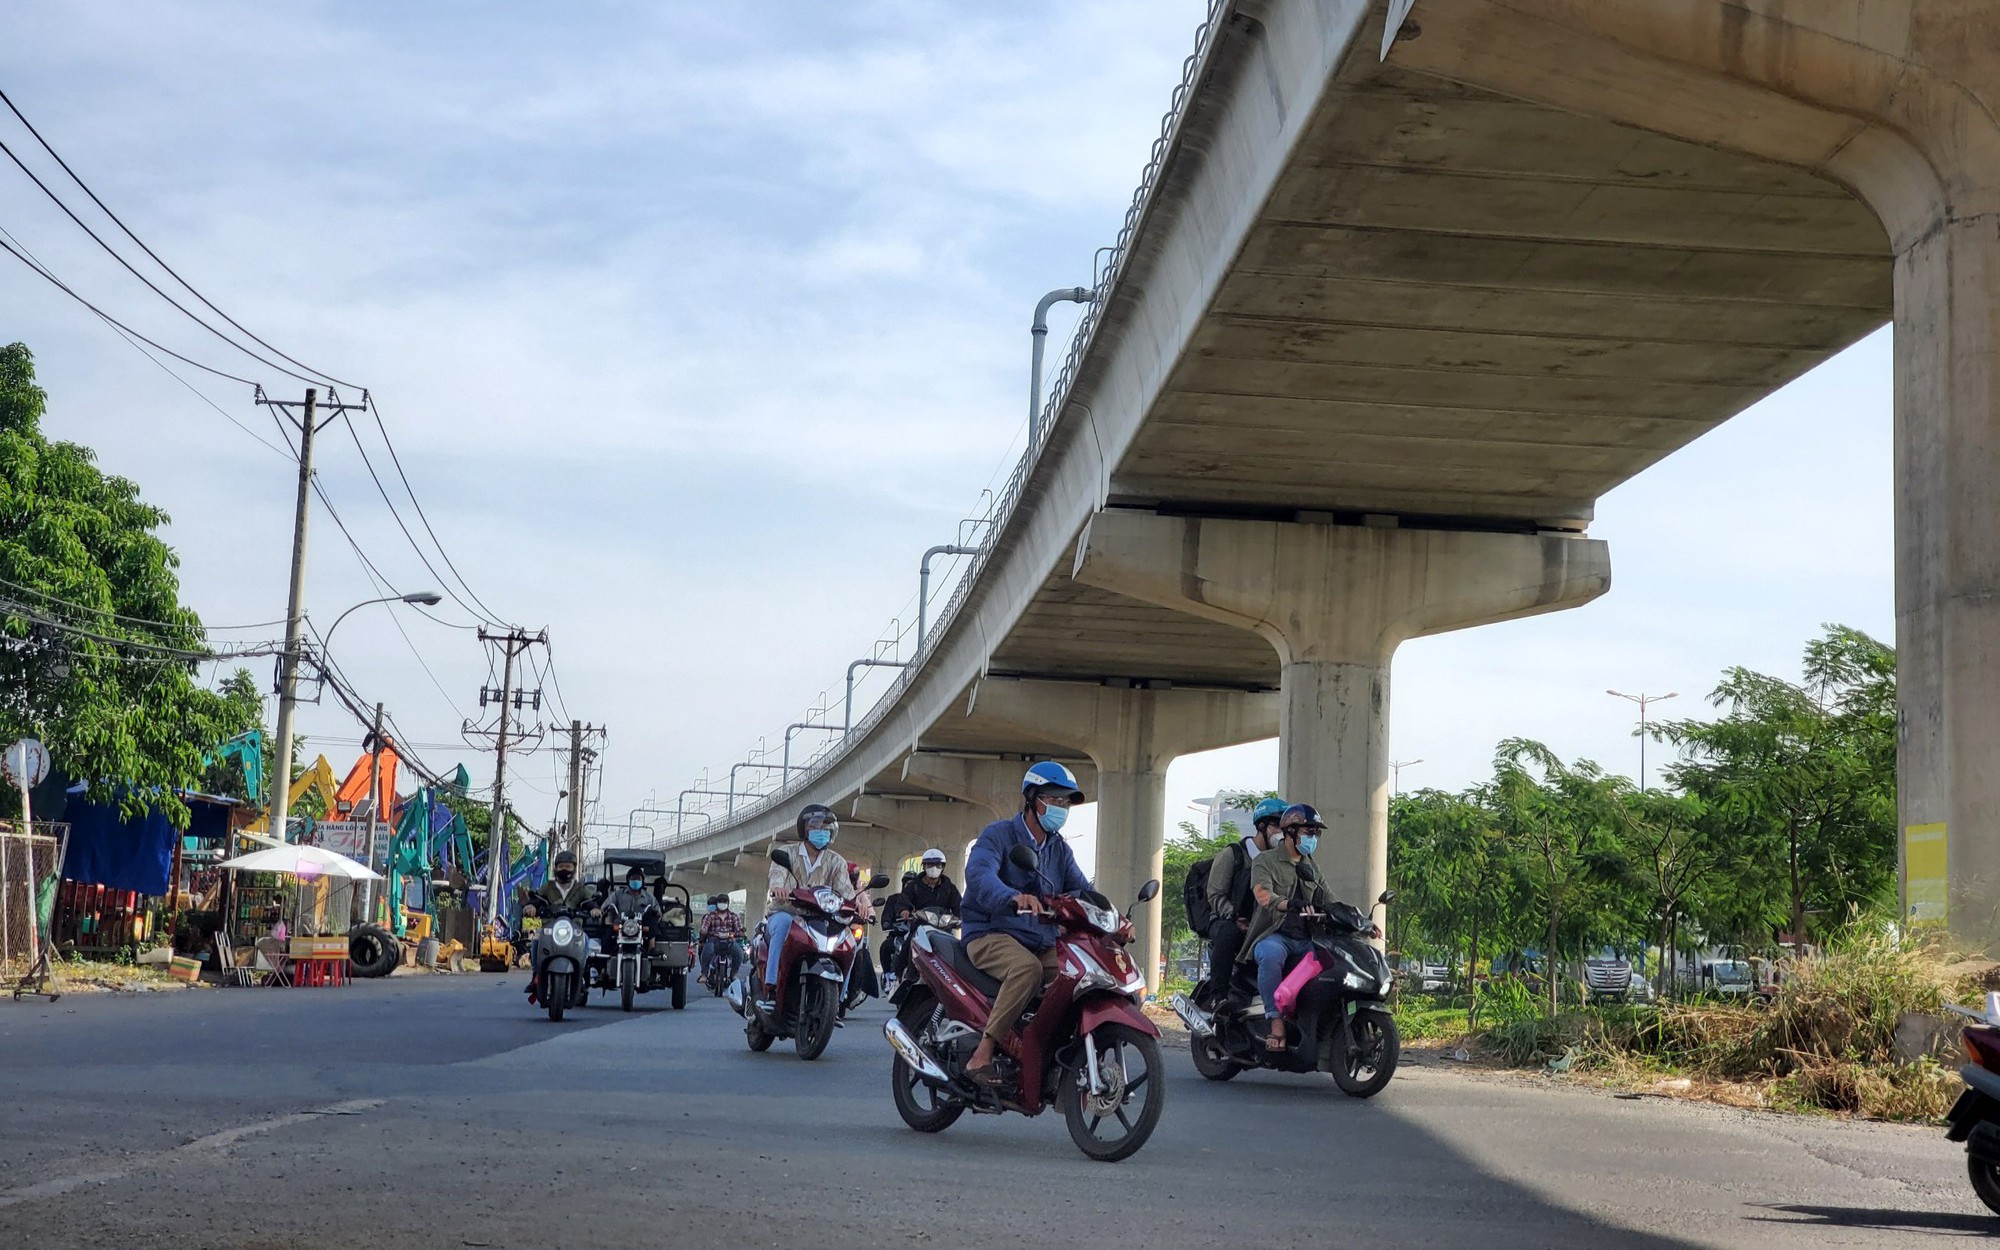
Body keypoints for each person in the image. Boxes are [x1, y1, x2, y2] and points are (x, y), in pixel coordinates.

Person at [960, 761, 1091, 1087]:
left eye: (1065, 803)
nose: (1061, 808)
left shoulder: (1060, 849)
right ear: (1032, 799)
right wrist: (1012, 897)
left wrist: (1114, 919)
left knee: (1077, 972)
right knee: (1027, 970)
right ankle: (984, 1051)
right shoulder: (999, 835)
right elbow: (979, 875)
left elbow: (1084, 891)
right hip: (991, 932)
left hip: (1039, 938)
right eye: (1054, 800)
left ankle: (1041, 1047)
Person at [1240, 804, 1337, 1051]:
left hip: (1307, 938)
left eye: (1316, 833)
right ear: (1290, 831)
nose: (1312, 838)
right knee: (1271, 955)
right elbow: (1262, 894)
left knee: (1332, 960)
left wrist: (1363, 923)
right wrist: (1287, 904)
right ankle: (1275, 1021)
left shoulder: (1312, 867)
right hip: (1274, 934)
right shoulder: (1265, 861)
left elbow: (1330, 901)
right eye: (1308, 831)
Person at [759, 804, 871, 1011]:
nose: (822, 833)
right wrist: (779, 889)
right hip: (787, 912)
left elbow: (846, 891)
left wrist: (858, 906)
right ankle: (772, 988)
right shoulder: (787, 853)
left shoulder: (836, 861)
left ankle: (839, 999)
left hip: (822, 917)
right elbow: (777, 877)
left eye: (827, 830)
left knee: (850, 941)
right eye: (817, 828)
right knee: (782, 925)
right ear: (805, 830)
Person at [1200, 797, 1288, 1009]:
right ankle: (1217, 997)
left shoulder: (1280, 861)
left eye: (1285, 827)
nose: (1281, 832)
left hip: (1262, 923)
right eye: (1276, 825)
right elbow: (1215, 895)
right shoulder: (1234, 854)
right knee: (1229, 935)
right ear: (1261, 826)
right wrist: (1234, 917)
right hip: (1227, 919)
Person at [698, 894, 745, 978]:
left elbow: (739, 929)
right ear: (717, 903)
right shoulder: (710, 916)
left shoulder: (733, 916)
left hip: (729, 942)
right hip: (714, 941)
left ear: (728, 903)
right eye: (720, 902)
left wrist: (741, 933)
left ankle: (733, 974)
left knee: (739, 953)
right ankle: (704, 975)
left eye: (724, 902)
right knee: (706, 952)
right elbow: (704, 927)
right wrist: (704, 931)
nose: (722, 904)